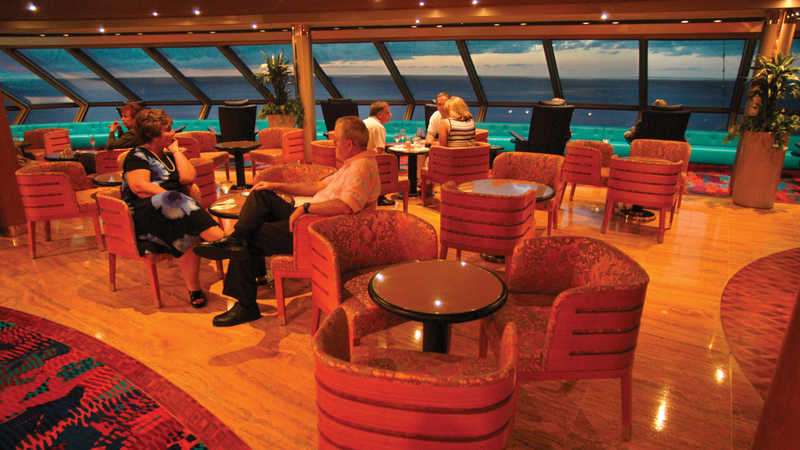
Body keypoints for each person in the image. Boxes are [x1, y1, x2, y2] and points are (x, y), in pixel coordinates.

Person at [194, 116, 381, 327]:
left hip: (320, 230)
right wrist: (275, 185)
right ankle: (235, 240)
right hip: (310, 219)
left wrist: (305, 208)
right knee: (262, 196)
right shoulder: (352, 164)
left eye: (336, 140)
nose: (333, 143)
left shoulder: (361, 167)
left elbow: (346, 206)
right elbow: (317, 186)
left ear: (349, 144)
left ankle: (246, 306)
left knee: (251, 237)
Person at [121, 109, 230, 308]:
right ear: (153, 134)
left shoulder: (168, 155)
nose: (173, 133)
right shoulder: (136, 156)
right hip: (146, 215)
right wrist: (171, 196)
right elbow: (139, 187)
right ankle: (221, 240)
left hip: (176, 212)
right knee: (174, 200)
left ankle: (194, 288)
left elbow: (189, 177)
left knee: (185, 225)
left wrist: (176, 151)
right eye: (168, 130)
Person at [364, 101, 395, 206]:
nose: (390, 115)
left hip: (360, 160)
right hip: (370, 163)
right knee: (388, 160)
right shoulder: (378, 127)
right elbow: (380, 152)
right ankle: (380, 196)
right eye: (388, 112)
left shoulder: (364, 122)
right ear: (379, 114)